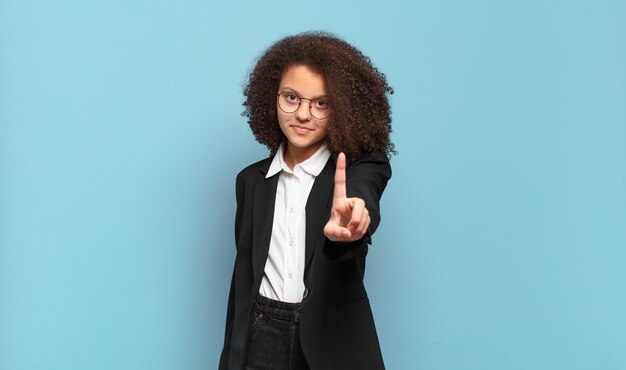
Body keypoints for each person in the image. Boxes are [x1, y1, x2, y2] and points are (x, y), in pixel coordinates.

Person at [219, 31, 395, 370]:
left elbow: (362, 196)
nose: (302, 114)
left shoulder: (359, 171)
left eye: (321, 103)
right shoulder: (250, 182)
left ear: (343, 110)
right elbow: (242, 285)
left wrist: (353, 221)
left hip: (330, 340)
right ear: (272, 97)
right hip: (260, 333)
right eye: (291, 98)